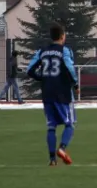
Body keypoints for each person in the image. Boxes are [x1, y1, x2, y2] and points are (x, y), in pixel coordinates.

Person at [26, 23, 78, 166]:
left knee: (51, 126)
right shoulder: (64, 50)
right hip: (62, 93)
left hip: (47, 93)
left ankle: (52, 160)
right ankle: (61, 149)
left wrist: (42, 78)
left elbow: (29, 70)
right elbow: (69, 68)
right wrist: (76, 84)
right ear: (62, 36)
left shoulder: (42, 51)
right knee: (70, 124)